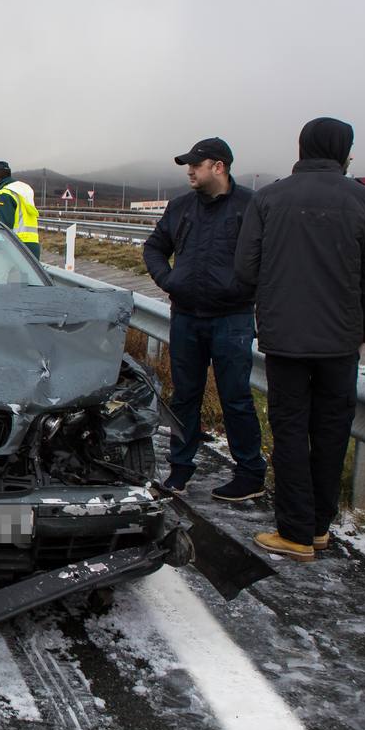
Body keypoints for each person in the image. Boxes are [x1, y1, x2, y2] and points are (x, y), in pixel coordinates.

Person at [235, 117, 365, 562]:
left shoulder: (268, 198)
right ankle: (319, 528)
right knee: (331, 431)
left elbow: (246, 269)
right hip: (342, 341)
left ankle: (295, 532)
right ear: (344, 151)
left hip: (284, 336)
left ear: (302, 147)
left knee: (289, 431)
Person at [142, 138, 266, 501]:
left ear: (219, 166)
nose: (189, 171)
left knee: (236, 398)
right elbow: (154, 247)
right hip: (186, 317)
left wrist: (246, 288)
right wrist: (169, 280)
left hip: (232, 318)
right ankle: (180, 469)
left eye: (196, 164)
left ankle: (249, 473)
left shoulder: (251, 207)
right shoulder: (181, 207)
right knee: (184, 396)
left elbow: (267, 256)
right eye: (188, 165)